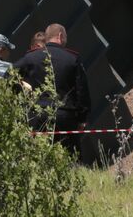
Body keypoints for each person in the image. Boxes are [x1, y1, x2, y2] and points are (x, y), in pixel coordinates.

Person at [13, 22, 91, 153]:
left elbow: (8, 76)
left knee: (38, 157)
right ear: (60, 36)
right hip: (65, 116)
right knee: (70, 158)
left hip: (38, 115)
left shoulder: (31, 57)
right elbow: (82, 91)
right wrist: (83, 117)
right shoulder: (72, 59)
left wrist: (21, 96)